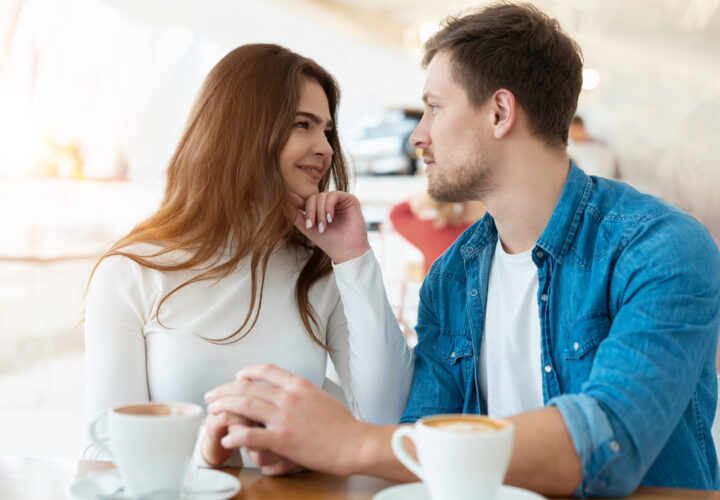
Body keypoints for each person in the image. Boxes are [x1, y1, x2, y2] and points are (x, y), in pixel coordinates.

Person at [203, 3, 720, 497]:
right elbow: (416, 438)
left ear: (499, 112)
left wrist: (349, 443)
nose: (418, 137)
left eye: (432, 108)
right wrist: (304, 446)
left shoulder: (660, 248)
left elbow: (610, 442)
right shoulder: (453, 277)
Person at [82, 44, 412, 472]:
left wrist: (353, 258)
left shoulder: (320, 267)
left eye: (327, 131)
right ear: (240, 130)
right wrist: (207, 451)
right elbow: (101, 451)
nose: (326, 149)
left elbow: (385, 417)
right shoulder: (134, 270)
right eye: (303, 125)